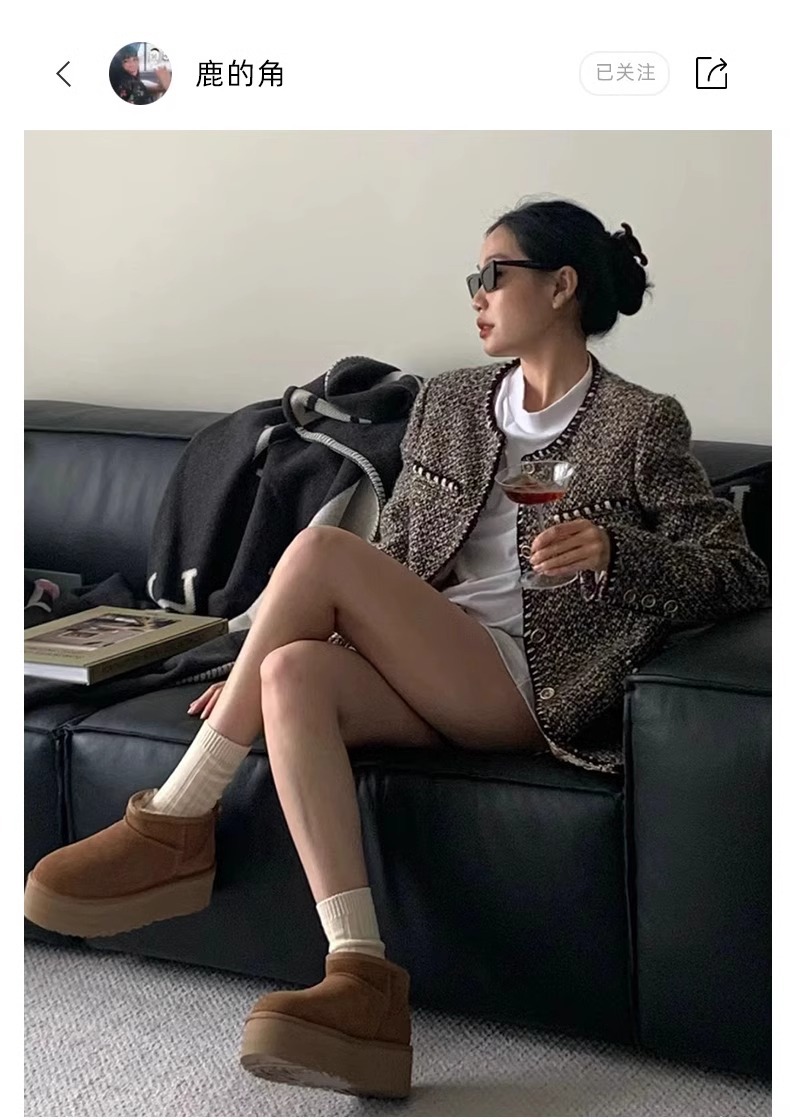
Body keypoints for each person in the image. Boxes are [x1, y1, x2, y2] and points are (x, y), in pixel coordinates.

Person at [23, 198, 770, 1100]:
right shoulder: (449, 403)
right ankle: (361, 979)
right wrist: (252, 672)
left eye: (495, 274)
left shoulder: (640, 422)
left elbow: (738, 574)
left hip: (530, 683)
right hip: (432, 661)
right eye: (473, 278)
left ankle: (178, 822)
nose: (477, 294)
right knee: (290, 671)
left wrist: (618, 550)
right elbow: (399, 555)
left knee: (321, 553)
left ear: (561, 286)